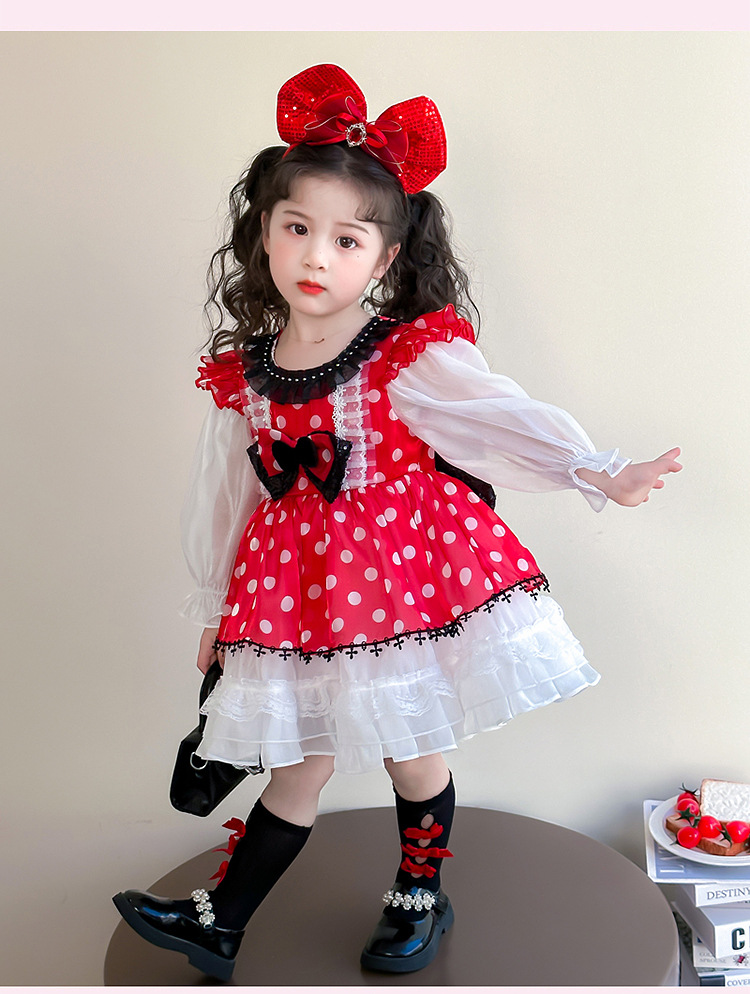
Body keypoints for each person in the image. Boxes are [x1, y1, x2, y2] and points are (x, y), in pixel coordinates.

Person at [113, 63, 682, 980]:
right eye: (297, 228)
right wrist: (219, 611)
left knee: (411, 755)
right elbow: (229, 498)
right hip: (293, 595)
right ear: (265, 232)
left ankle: (420, 893)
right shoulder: (246, 374)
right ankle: (219, 922)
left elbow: (497, 417)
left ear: (383, 260)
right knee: (298, 765)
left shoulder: (403, 355)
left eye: (346, 240)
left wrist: (597, 469)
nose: (316, 257)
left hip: (394, 585)